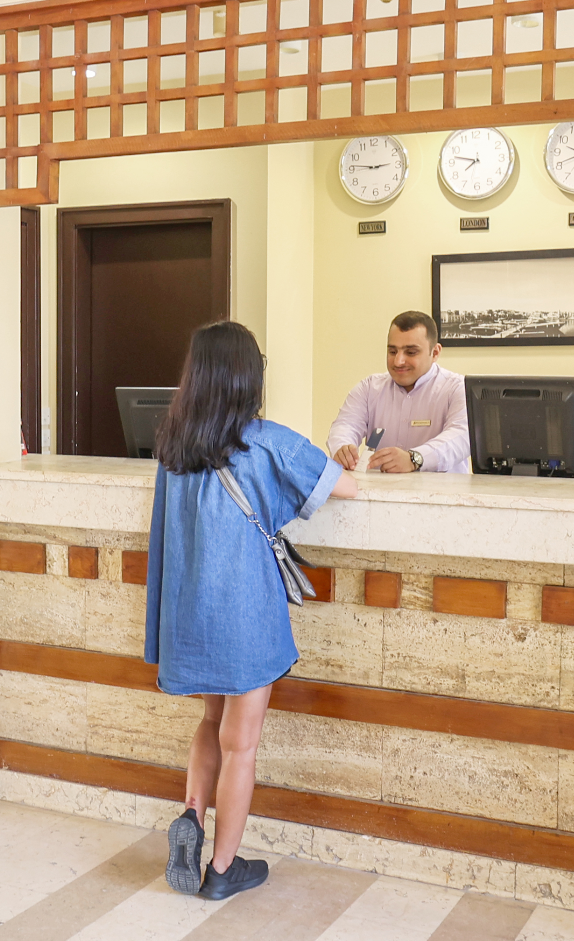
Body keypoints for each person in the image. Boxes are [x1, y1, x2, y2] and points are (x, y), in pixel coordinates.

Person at [146, 321, 357, 900]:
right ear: (248, 376)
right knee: (241, 744)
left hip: (190, 612)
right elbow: (343, 487)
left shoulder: (173, 446)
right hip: (244, 616)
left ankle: (192, 815)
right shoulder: (265, 442)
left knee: (209, 724)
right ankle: (221, 869)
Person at [327, 310, 471, 473]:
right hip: (378, 488)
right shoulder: (369, 388)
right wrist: (342, 448)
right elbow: (345, 425)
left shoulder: (458, 388)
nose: (398, 361)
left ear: (435, 353)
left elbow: (462, 437)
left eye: (411, 352)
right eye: (392, 351)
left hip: (442, 489)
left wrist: (414, 459)